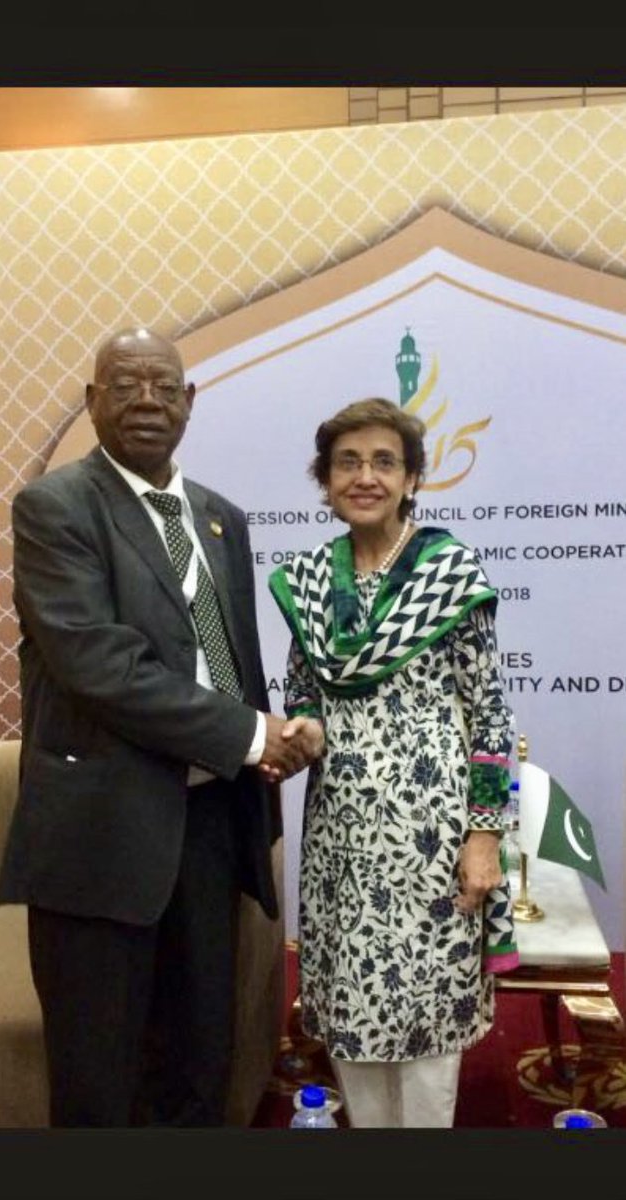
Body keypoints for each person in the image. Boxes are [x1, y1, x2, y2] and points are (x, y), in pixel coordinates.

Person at [0, 326, 318, 1127]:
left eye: (164, 387)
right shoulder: (55, 508)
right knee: (99, 1078)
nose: (146, 400)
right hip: (103, 834)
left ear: (189, 402)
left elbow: (229, 660)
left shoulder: (219, 517)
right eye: (125, 384)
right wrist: (252, 734)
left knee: (198, 1064)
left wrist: (266, 747)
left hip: (210, 825)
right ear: (91, 400)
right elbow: (100, 666)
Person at [268, 397, 519, 1128]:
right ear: (325, 480)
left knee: (428, 1017)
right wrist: (298, 735)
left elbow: (490, 714)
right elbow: (303, 696)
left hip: (432, 840)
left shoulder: (448, 572)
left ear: (411, 478)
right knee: (353, 1011)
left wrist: (483, 837)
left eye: (384, 461)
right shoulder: (310, 580)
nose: (365, 476)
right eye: (347, 462)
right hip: (342, 844)